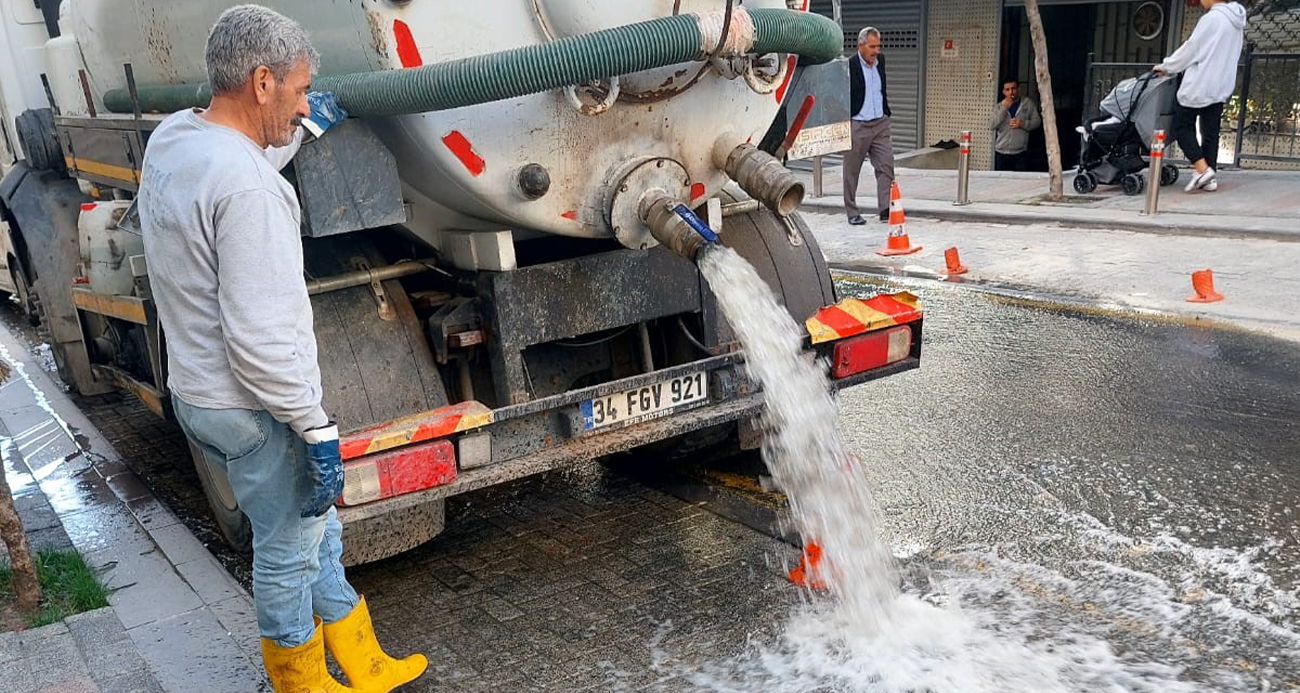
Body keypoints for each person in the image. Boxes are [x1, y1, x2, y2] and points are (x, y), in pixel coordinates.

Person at [137, 5, 427, 692]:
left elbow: (238, 155)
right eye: (297, 92)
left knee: (317, 532)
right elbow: (261, 337)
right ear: (261, 82)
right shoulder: (249, 191)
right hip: (253, 402)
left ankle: (361, 657)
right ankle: (300, 680)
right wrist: (315, 425)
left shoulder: (176, 139)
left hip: (201, 390)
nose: (303, 104)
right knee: (289, 549)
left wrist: (297, 134)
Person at [1154, 0, 1247, 193]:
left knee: (1182, 127)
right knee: (1210, 132)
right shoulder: (1236, 21)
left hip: (1200, 84)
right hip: (1220, 85)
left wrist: (1167, 66)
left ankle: (1202, 169)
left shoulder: (1212, 19)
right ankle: (1209, 177)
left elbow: (1192, 49)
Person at [843, 26, 895, 225]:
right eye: (872, 47)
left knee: (886, 165)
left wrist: (886, 113)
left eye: (878, 46)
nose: (876, 51)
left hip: (880, 122)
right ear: (860, 46)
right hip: (858, 124)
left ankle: (885, 209)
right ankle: (852, 212)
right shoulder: (849, 65)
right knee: (851, 171)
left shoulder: (880, 61)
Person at [990, 79, 1041, 171]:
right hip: (1001, 151)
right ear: (1003, 91)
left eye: (1013, 88)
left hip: (1020, 152)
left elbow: (1037, 121)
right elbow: (992, 125)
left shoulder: (1027, 103)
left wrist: (1023, 123)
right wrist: (1004, 109)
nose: (1011, 92)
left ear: (1018, 89)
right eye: (1007, 89)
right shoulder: (998, 106)